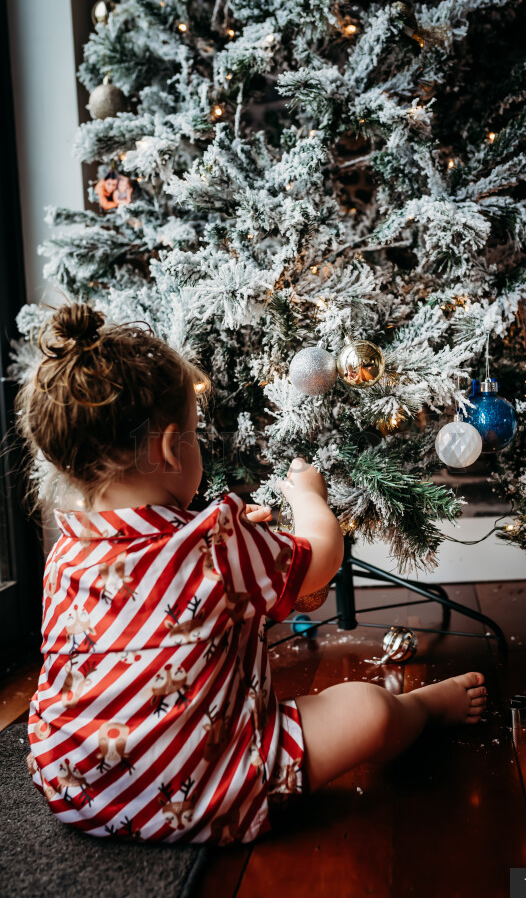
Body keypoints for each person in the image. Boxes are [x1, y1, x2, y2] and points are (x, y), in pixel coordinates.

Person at [16, 303, 487, 845]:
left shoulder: (67, 551)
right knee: (368, 710)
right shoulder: (215, 540)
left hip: (76, 790)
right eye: (195, 436)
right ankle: (422, 708)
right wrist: (309, 499)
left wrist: (251, 553)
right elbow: (322, 557)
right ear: (172, 447)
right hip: (209, 789)